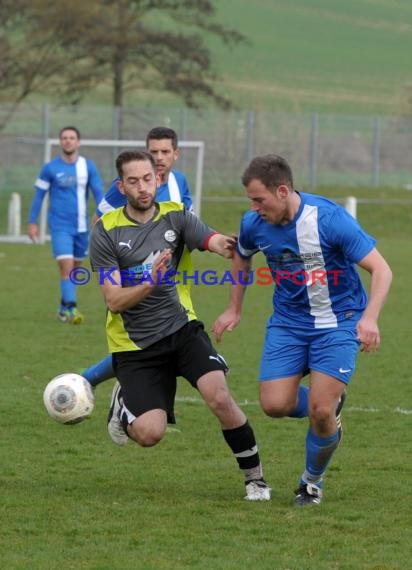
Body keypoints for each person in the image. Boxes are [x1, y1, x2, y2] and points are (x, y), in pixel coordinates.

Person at [89, 150, 271, 501]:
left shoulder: (176, 218)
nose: (143, 187)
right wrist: (149, 282)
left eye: (148, 179)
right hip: (135, 346)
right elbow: (113, 299)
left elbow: (216, 242)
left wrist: (236, 242)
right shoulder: (107, 232)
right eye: (133, 181)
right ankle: (123, 402)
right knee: (149, 434)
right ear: (120, 186)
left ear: (157, 180)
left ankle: (256, 480)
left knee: (219, 397)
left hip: (181, 330)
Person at [212, 154, 392, 506]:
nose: (254, 208)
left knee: (321, 412)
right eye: (250, 200)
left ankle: (311, 482)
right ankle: (329, 405)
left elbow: (382, 270)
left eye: (259, 199)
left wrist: (369, 319)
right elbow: (242, 255)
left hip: (338, 323)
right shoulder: (254, 223)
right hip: (288, 323)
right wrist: (234, 307)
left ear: (282, 191)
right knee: (274, 405)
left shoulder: (329, 219)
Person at [82, 126, 193, 385]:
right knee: (136, 342)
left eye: (165, 151)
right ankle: (91, 380)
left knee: (166, 338)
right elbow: (98, 223)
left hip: (170, 279)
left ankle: (109, 386)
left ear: (175, 154)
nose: (159, 156)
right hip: (131, 280)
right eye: (153, 151)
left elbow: (186, 222)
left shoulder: (180, 182)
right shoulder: (127, 187)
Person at [28, 126, 104, 324]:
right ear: (60, 142)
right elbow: (39, 197)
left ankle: (63, 308)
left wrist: (105, 215)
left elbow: (98, 193)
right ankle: (71, 309)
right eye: (64, 138)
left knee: (75, 270)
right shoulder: (50, 168)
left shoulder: (88, 167)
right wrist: (32, 222)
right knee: (67, 267)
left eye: (72, 138)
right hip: (60, 226)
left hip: (82, 227)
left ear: (78, 142)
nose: (68, 141)